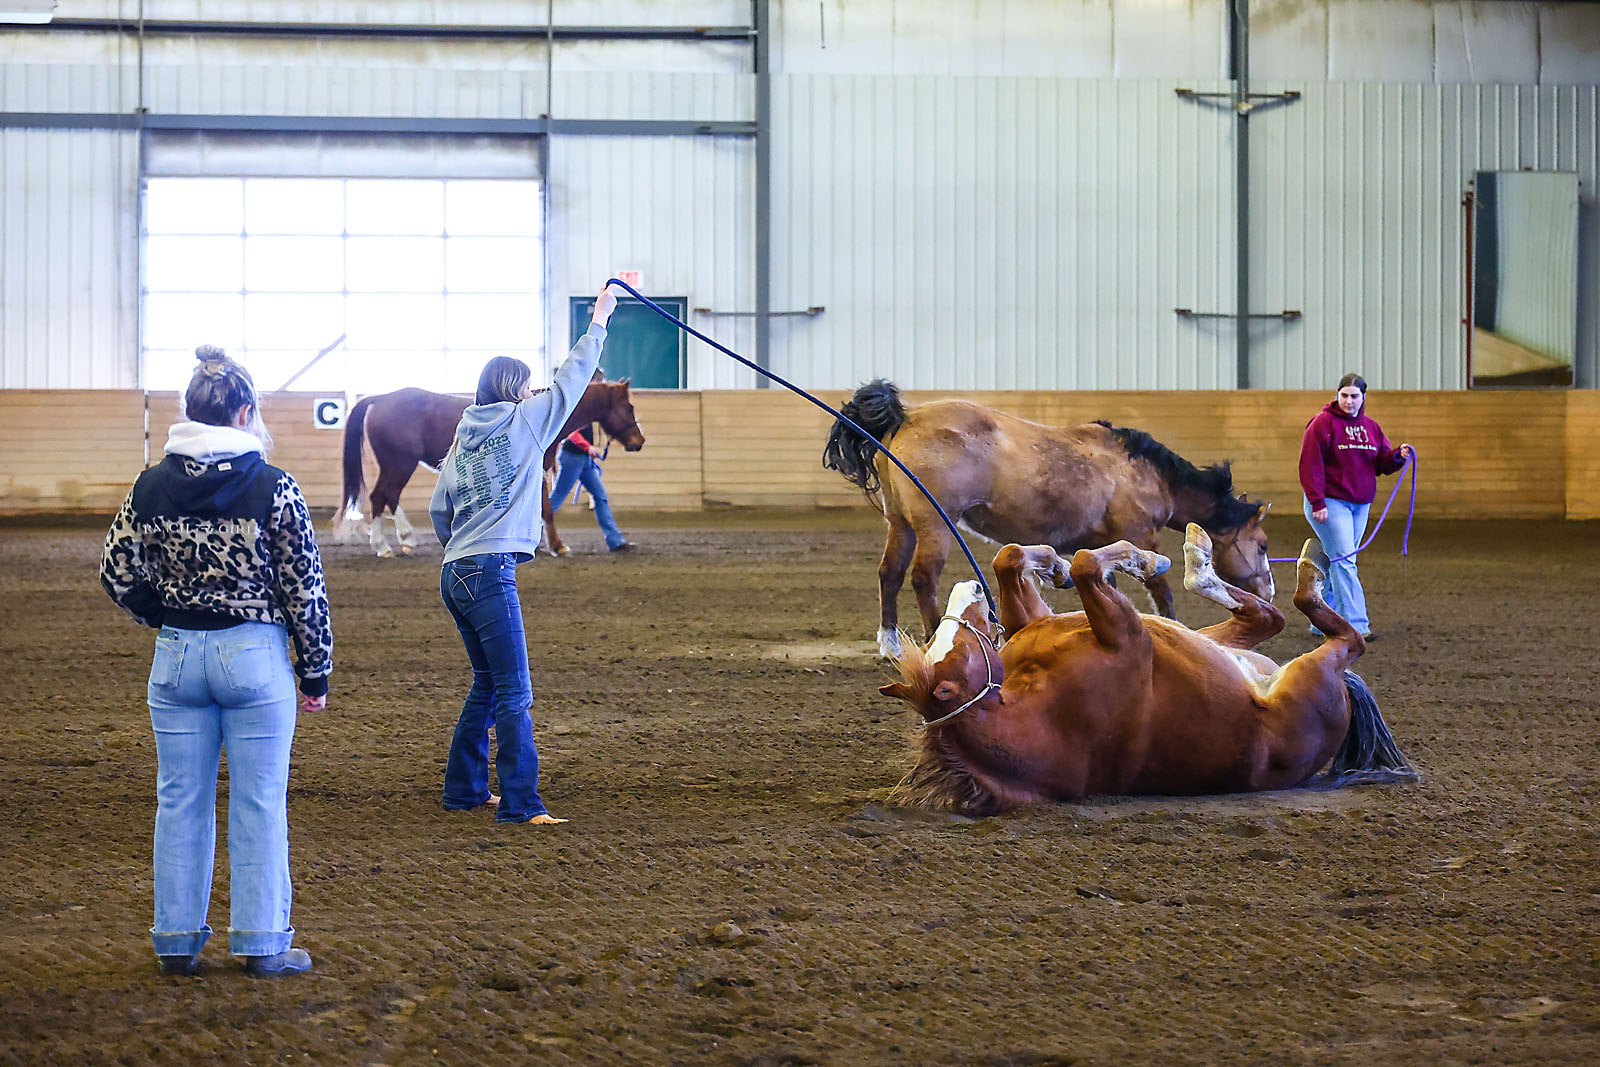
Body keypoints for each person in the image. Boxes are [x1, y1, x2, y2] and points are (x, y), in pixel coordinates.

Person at [101, 345, 332, 979]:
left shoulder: (150, 484)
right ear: (245, 412)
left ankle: (175, 941)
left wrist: (165, 613)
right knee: (259, 802)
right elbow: (303, 587)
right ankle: (261, 943)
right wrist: (315, 672)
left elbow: (115, 571)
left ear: (187, 413)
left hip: (176, 660)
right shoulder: (273, 486)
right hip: (254, 659)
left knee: (179, 800)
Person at [429, 283, 620, 825]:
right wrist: (601, 314)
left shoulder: (461, 440)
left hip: (455, 572)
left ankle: (464, 790)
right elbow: (574, 375)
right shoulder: (528, 420)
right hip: (492, 572)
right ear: (518, 390)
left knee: (487, 683)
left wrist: (462, 548)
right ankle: (521, 802)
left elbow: (438, 509)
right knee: (515, 691)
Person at [1297, 373, 1414, 641]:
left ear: (1363, 398)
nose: (1349, 401)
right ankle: (1356, 625)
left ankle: (1321, 620)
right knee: (1345, 561)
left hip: (1359, 505)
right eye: (1345, 395)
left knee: (1340, 561)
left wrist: (1398, 456)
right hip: (1330, 502)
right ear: (1337, 395)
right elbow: (1309, 464)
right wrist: (1317, 501)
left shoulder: (1371, 428)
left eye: (1355, 396)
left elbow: (1381, 462)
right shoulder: (1322, 424)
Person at [550, 370, 634, 553]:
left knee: (600, 497)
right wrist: (587, 447)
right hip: (572, 457)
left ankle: (615, 540)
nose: (601, 384)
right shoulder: (577, 402)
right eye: (599, 381)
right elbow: (570, 432)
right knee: (556, 499)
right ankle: (531, 535)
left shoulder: (591, 405)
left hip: (583, 460)